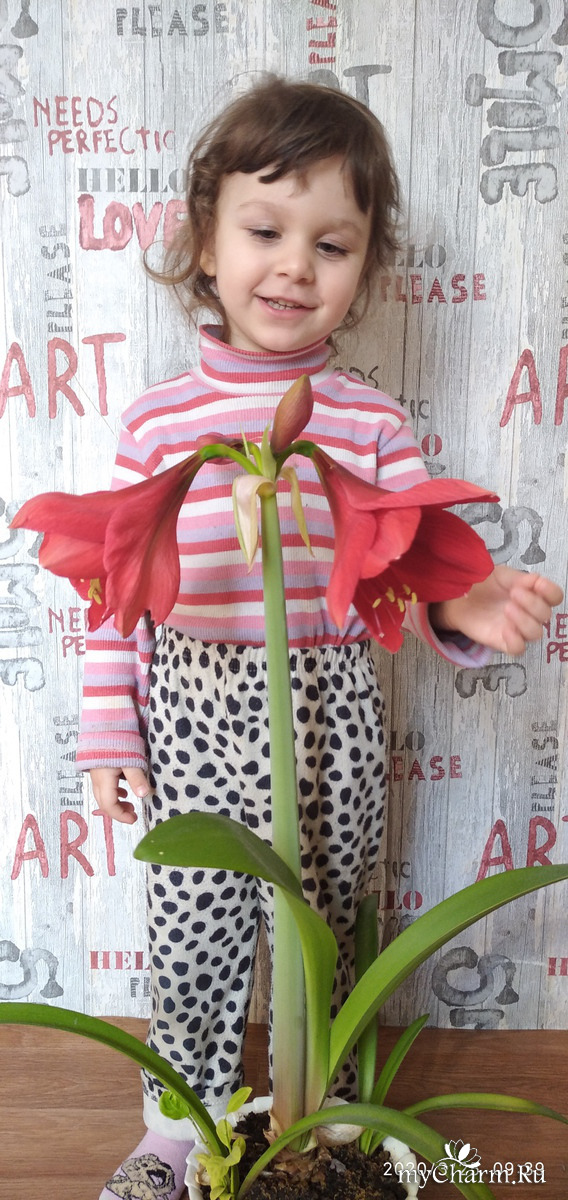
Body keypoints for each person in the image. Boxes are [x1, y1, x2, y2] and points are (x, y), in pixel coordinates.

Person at [77, 77, 563, 1200]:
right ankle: (180, 1129)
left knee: (329, 923)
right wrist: (110, 735)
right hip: (194, 704)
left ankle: (322, 1121)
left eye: (331, 244)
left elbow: (402, 569)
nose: (295, 265)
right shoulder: (157, 422)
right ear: (204, 245)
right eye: (264, 231)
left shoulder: (370, 423)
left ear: (363, 270)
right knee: (192, 926)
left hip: (333, 707)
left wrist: (460, 603)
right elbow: (120, 591)